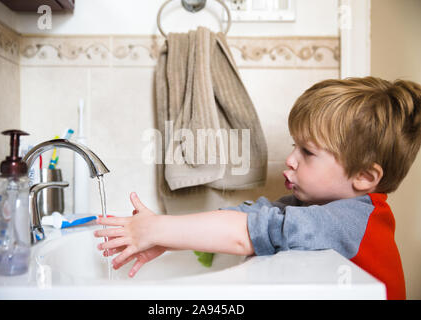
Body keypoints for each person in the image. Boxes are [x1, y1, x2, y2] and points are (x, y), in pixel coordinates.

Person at [94, 77, 421, 300]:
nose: (290, 159)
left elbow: (248, 232)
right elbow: (249, 216)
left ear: (364, 177)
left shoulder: (351, 220)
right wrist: (167, 237)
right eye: (295, 146)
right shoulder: (311, 207)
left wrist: (157, 228)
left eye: (307, 152)